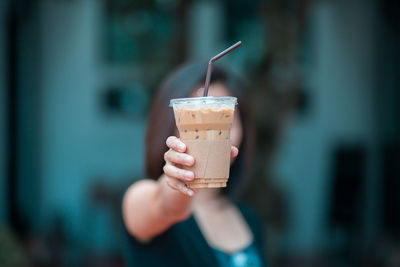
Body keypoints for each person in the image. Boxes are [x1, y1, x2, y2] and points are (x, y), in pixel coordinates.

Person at [122, 62, 267, 267]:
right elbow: (165, 206)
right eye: (193, 118)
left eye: (226, 121)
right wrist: (182, 181)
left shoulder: (250, 220)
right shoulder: (141, 200)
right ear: (168, 127)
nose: (208, 134)